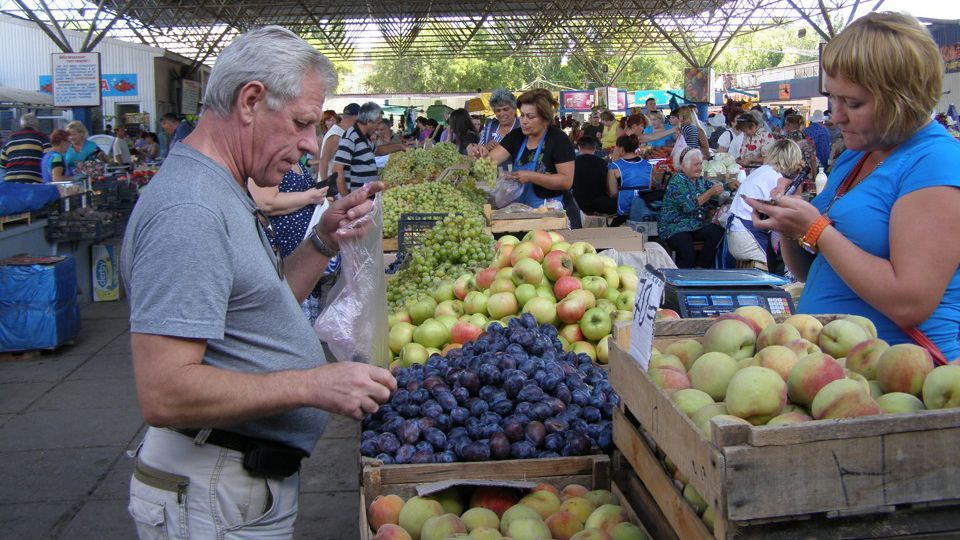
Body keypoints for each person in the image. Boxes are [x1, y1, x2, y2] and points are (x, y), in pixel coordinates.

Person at [120, 26, 395, 538]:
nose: (311, 145)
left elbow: (256, 308)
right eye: (301, 123)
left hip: (231, 487)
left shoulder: (221, 189)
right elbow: (164, 391)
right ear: (250, 100)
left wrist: (323, 243)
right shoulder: (190, 210)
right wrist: (314, 384)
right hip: (210, 492)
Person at [747, 12, 960, 360]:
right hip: (830, 375)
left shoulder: (936, 162)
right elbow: (812, 268)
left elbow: (910, 302)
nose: (836, 115)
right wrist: (790, 227)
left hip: (896, 382)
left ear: (903, 99)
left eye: (854, 103)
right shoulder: (858, 154)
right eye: (833, 98)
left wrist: (815, 229)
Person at [247, 155, 337, 322]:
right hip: (287, 259)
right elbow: (266, 202)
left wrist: (320, 198)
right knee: (290, 318)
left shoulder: (294, 161)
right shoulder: (267, 159)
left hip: (304, 260)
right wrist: (310, 197)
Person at [477, 89, 575, 208]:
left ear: (545, 119)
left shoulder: (558, 140)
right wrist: (478, 154)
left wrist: (531, 176)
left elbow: (566, 181)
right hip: (520, 208)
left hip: (550, 210)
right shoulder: (516, 136)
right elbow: (489, 161)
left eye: (530, 117)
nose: (524, 121)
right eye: (522, 115)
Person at [727, 139, 803, 265]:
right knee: (785, 263)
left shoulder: (764, 171)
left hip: (738, 234)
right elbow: (783, 211)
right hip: (747, 238)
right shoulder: (774, 178)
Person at [659, 148, 725, 268]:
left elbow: (714, 189)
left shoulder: (700, 180)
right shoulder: (676, 181)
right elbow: (688, 207)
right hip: (675, 226)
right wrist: (710, 193)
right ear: (684, 166)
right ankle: (681, 281)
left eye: (700, 164)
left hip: (695, 225)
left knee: (717, 232)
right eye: (696, 165)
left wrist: (726, 185)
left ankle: (702, 267)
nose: (699, 168)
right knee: (688, 253)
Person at [333, 102, 383, 195]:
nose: (378, 127)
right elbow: (337, 170)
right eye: (378, 123)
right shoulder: (350, 137)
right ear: (368, 121)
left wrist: (399, 146)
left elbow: (377, 150)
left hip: (364, 198)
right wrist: (347, 200)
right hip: (354, 199)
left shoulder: (365, 137)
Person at [607, 135, 654, 221]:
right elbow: (649, 187)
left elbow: (613, 193)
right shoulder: (648, 165)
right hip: (645, 207)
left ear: (621, 149)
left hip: (624, 208)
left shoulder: (614, 166)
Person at [571, 136, 616, 215]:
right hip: (600, 207)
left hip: (577, 206)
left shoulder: (571, 164)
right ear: (595, 148)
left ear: (579, 147)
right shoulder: (604, 164)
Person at [0, 113, 50, 183]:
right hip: (32, 181)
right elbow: (48, 161)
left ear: (22, 124)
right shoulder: (42, 138)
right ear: (37, 124)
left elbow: (2, 165)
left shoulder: (10, 139)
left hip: (11, 181)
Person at [318, 103, 358, 181]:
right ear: (355, 118)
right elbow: (324, 160)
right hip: (331, 181)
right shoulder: (336, 134)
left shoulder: (343, 132)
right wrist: (325, 184)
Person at [782, 114, 818, 184]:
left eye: (785, 125)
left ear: (788, 125)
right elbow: (813, 160)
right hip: (808, 173)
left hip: (793, 175)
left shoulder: (787, 140)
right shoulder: (807, 137)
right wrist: (814, 177)